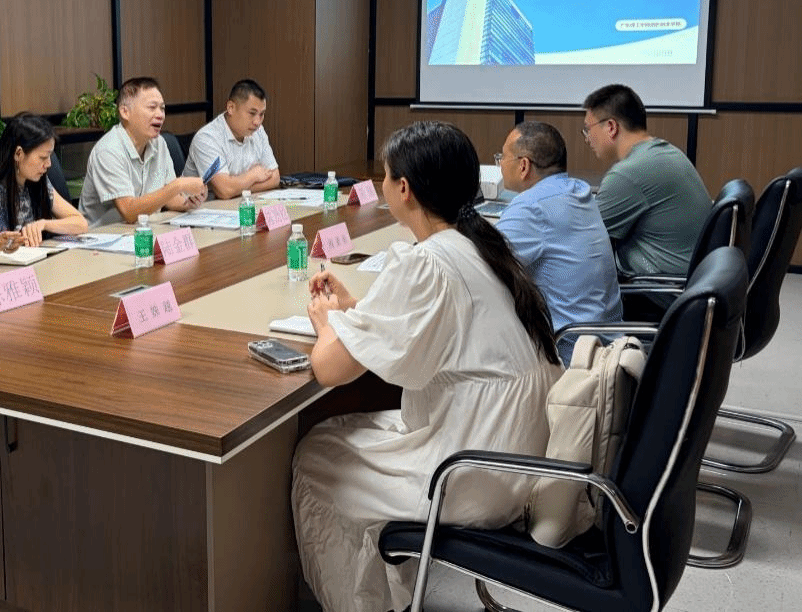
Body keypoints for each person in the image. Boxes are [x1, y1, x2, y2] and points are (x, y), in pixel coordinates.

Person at [293, 121, 561, 612]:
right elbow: (433, 325)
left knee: (317, 455)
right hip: (514, 455)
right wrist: (357, 310)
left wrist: (328, 322)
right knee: (344, 432)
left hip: (473, 469)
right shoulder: (479, 244)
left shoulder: (427, 262)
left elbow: (329, 369)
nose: (381, 184)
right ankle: (387, 594)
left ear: (404, 189)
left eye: (385, 176)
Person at [496, 121, 623, 364]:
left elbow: (480, 267)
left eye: (503, 156)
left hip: (569, 353)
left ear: (524, 166)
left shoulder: (531, 206)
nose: (500, 163)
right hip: (606, 344)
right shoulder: (578, 190)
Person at [582, 84, 711, 278]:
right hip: (693, 274)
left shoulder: (628, 174)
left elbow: (580, 237)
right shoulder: (665, 152)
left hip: (660, 286)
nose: (587, 139)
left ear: (611, 127)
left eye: (588, 129)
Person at [78, 77, 207, 226]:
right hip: (103, 235)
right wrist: (178, 185)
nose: (160, 115)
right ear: (125, 112)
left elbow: (170, 199)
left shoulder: (159, 143)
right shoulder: (108, 150)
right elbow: (129, 212)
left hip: (142, 229)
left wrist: (190, 201)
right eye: (152, 107)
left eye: (162, 108)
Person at [0, 112, 86, 256]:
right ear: (18, 154)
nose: (49, 164)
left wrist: (44, 224)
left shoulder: (38, 182)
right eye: (43, 157)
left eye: (50, 156)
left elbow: (80, 223)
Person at [181, 78, 279, 199]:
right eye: (252, 113)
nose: (257, 122)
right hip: (200, 206)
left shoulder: (258, 131)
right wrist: (253, 175)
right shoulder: (207, 138)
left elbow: (275, 178)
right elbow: (225, 190)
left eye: (261, 114)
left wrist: (237, 188)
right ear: (231, 108)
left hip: (237, 203)